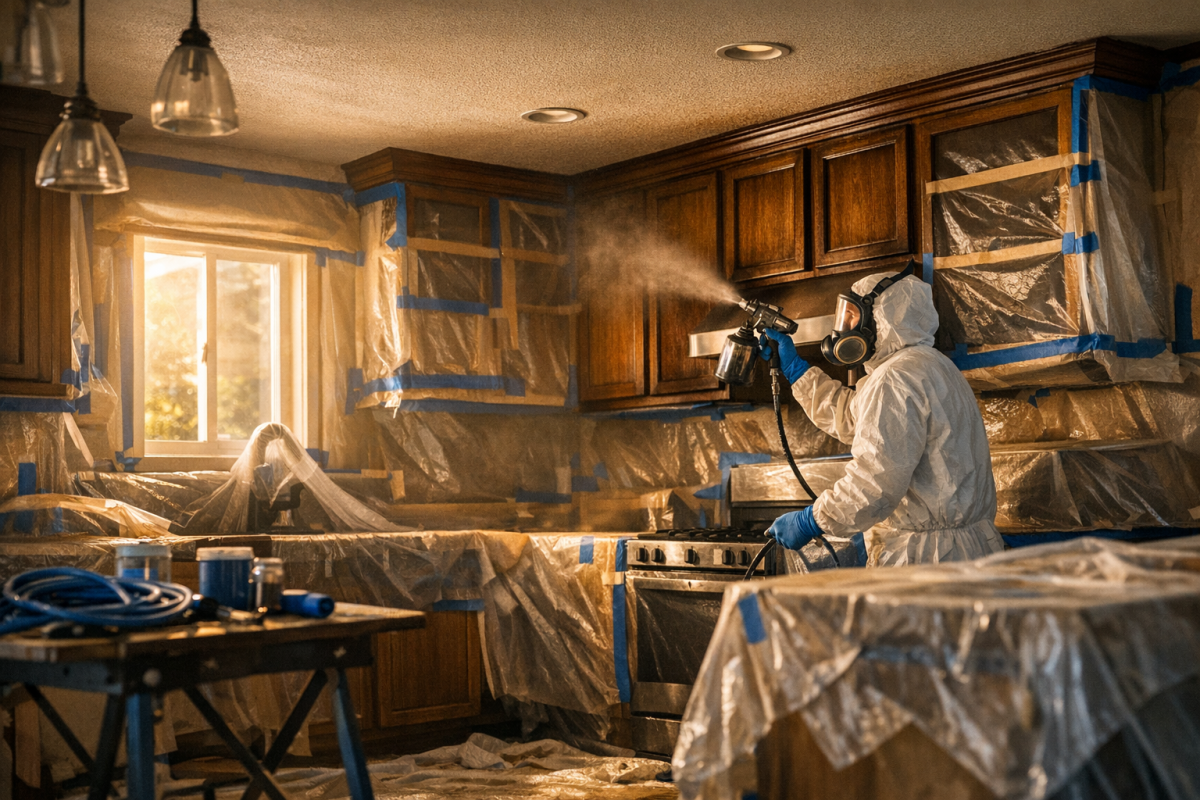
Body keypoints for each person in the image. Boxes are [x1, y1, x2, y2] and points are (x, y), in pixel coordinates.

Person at [760, 269, 1003, 566]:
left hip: (926, 559)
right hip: (960, 550)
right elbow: (856, 420)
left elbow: (874, 480)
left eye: (852, 316)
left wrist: (813, 520)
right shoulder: (933, 366)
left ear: (884, 317)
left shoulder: (895, 377)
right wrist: (797, 371)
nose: (844, 327)